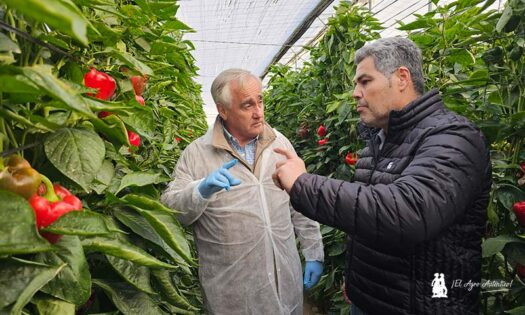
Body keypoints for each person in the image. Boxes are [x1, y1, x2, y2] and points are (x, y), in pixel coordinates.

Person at [273, 37, 491, 315]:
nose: (355, 92)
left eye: (365, 81)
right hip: (370, 301)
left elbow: (407, 212)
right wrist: (358, 280)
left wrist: (303, 184)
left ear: (401, 78)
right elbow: (369, 218)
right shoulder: (377, 143)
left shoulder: (453, 137)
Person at [161, 68, 324, 315]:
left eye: (260, 101)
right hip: (232, 291)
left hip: (285, 277)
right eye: (247, 105)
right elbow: (171, 210)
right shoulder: (197, 154)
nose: (259, 113)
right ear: (223, 110)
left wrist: (314, 251)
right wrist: (200, 191)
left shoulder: (278, 143)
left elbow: (300, 198)